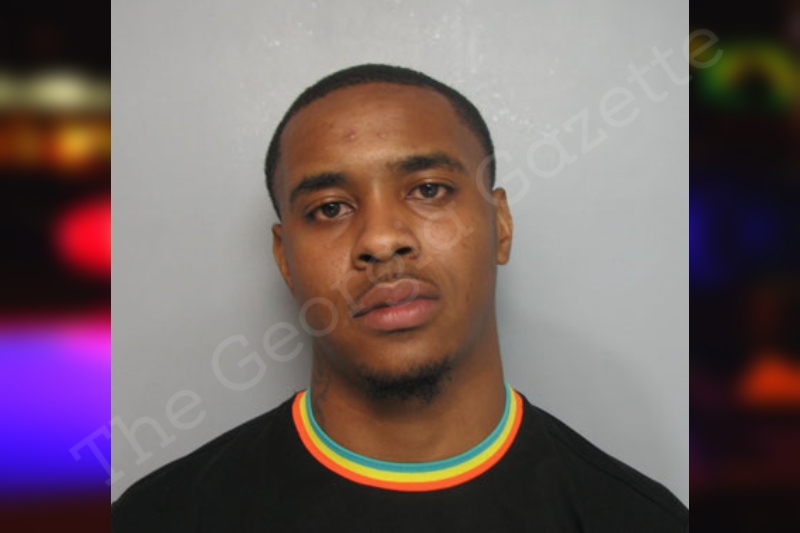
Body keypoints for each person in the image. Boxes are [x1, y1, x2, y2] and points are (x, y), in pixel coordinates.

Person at [112, 64, 689, 532]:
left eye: (429, 190)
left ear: (501, 226)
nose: (382, 240)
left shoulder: (639, 520)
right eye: (330, 208)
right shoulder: (158, 518)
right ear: (284, 259)